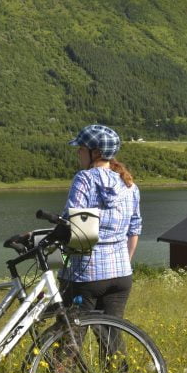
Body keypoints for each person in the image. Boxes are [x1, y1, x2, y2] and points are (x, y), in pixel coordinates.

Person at [60, 124, 141, 319]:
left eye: (81, 148)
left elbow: (75, 225)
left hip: (86, 274)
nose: (78, 152)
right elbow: (134, 229)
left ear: (95, 153)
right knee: (112, 335)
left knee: (70, 334)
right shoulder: (129, 185)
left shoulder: (85, 179)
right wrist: (124, 263)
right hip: (121, 274)